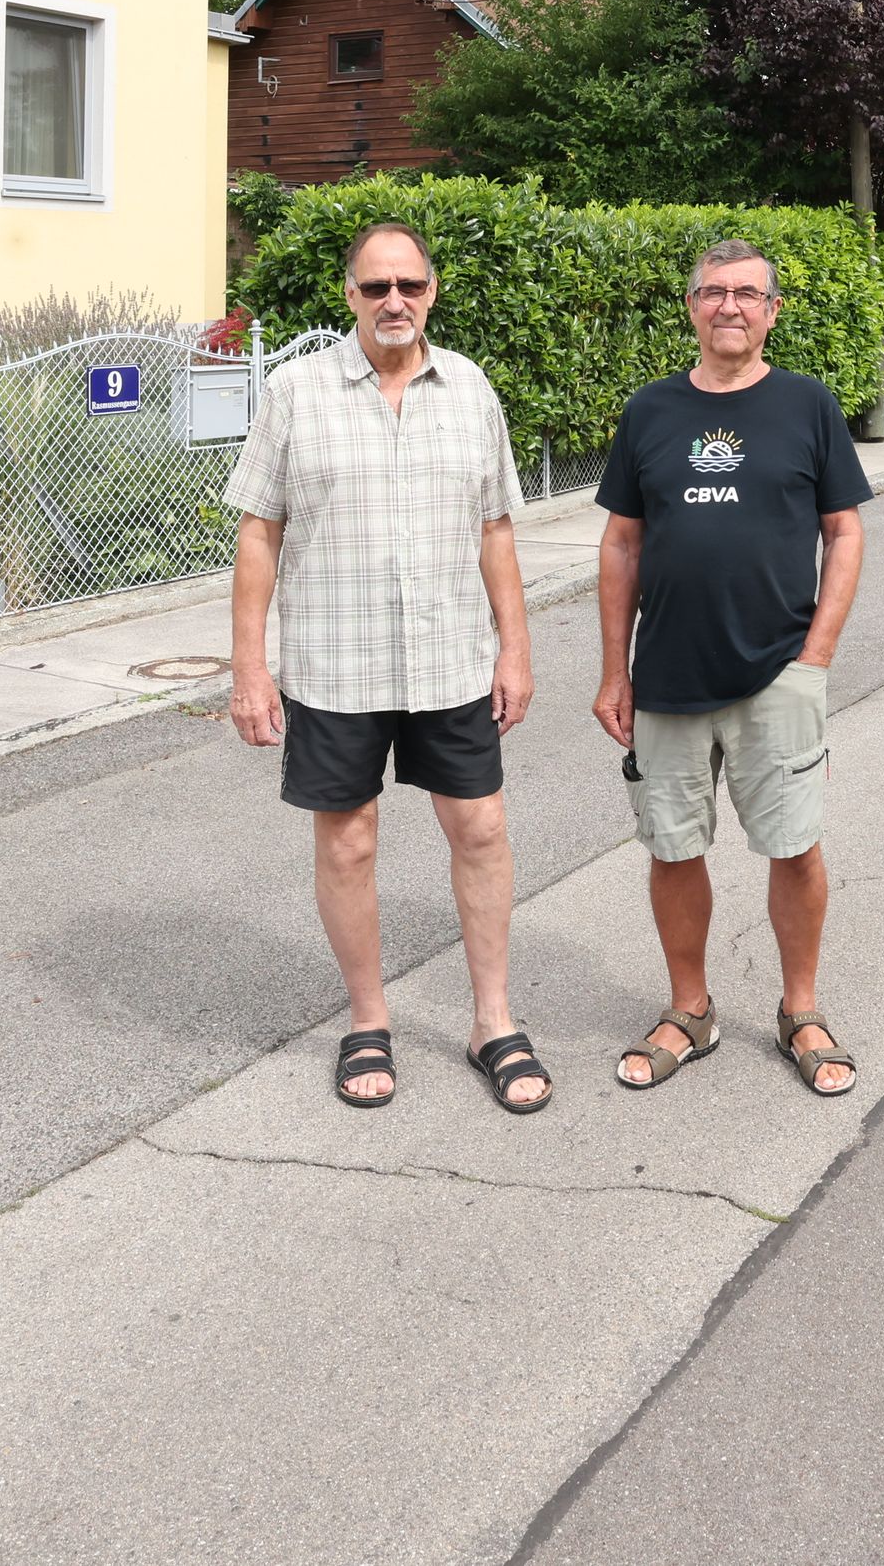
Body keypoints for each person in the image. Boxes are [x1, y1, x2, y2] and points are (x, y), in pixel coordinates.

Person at [226, 221, 551, 1115]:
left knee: (480, 828)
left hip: (452, 660)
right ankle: (368, 1019)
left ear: (431, 291)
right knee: (349, 840)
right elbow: (258, 530)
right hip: (337, 662)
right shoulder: (295, 391)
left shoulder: (470, 388)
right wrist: (249, 666)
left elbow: (495, 529)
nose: (394, 300)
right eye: (376, 286)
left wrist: (515, 647)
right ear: (351, 295)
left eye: (409, 284)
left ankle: (492, 1019)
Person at [593, 237, 872, 1098]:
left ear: (772, 311)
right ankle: (691, 1010)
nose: (730, 306)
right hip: (667, 677)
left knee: (795, 846)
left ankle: (801, 1009)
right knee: (673, 848)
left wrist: (816, 656)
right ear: (692, 307)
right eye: (714, 292)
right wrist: (614, 671)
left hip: (779, 672)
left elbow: (844, 532)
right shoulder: (650, 409)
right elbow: (622, 543)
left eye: (748, 294)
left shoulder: (807, 404)